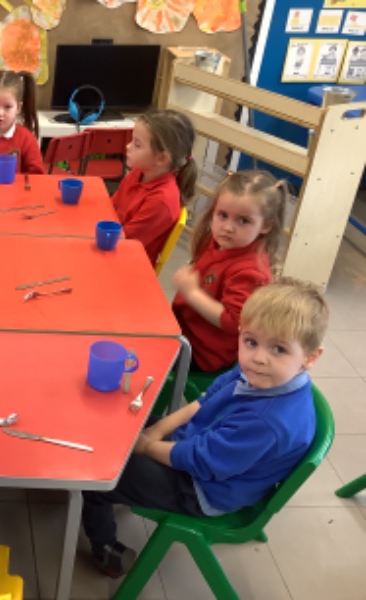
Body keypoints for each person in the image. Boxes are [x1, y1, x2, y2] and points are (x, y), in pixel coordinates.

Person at [82, 277, 328, 578]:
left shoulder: (268, 422)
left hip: (203, 488)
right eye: (251, 342)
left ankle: (106, 551)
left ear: (310, 357)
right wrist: (156, 431)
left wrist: (147, 446)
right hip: (204, 449)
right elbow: (208, 398)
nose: (259, 358)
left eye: (279, 349)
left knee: (101, 475)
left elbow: (200, 460)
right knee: (122, 425)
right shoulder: (259, 373)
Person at [173, 170, 288, 373]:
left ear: (265, 226)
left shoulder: (251, 272)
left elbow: (235, 322)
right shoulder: (221, 243)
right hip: (183, 331)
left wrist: (192, 293)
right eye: (223, 215)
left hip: (202, 353)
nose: (228, 227)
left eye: (243, 221)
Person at [111, 109, 197, 266]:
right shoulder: (138, 173)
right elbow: (111, 207)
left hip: (127, 262)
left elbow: (125, 243)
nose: (128, 146)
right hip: (114, 244)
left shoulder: (161, 201)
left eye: (137, 145)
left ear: (162, 159)